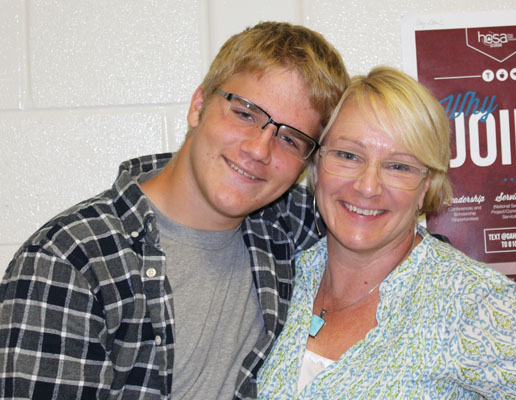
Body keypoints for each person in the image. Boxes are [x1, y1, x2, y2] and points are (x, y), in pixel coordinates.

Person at [0, 22, 349, 399]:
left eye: (289, 138)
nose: (260, 150)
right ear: (198, 106)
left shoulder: (287, 226)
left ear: (305, 163)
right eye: (246, 113)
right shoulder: (70, 262)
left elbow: (382, 217)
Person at [257, 66, 516, 398]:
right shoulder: (284, 279)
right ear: (316, 168)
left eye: (399, 166)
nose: (367, 186)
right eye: (348, 155)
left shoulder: (468, 302)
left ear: (426, 186)